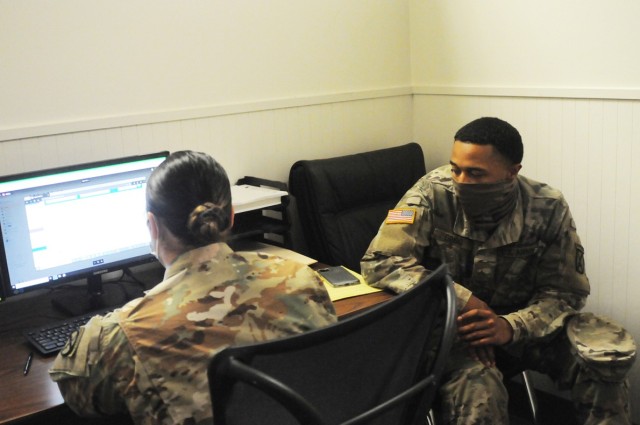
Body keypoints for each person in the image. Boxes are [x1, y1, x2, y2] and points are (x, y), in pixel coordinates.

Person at [361, 117, 636, 424]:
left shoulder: (548, 206)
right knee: (480, 388)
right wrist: (465, 301)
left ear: (511, 172)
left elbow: (565, 293)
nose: (461, 180)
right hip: (456, 328)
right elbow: (380, 261)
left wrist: (509, 327)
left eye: (476, 173)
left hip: (526, 327)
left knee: (603, 362)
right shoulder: (429, 193)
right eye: (456, 169)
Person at [50, 150, 337, 424]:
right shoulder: (301, 279)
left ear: (152, 226)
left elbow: (78, 394)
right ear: (232, 216)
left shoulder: (129, 333)